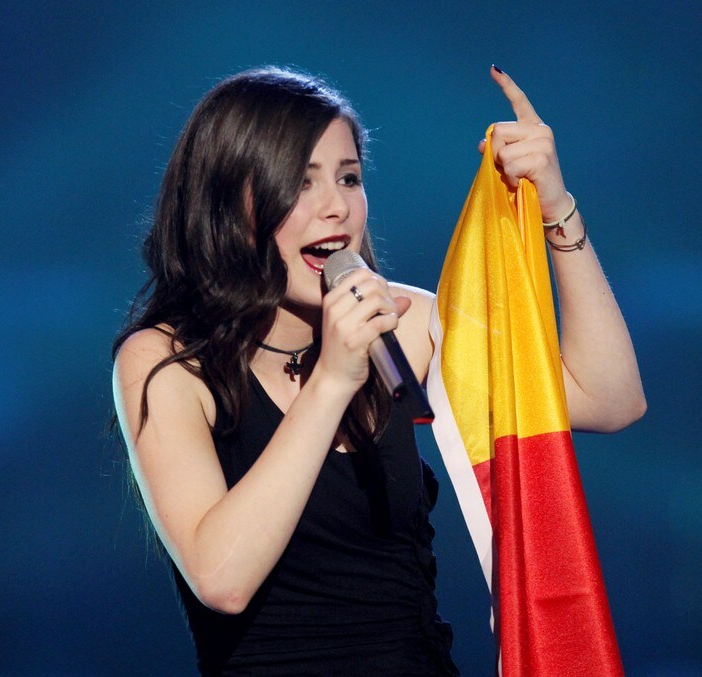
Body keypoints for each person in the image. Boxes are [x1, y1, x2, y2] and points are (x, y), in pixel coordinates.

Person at [112, 65, 645, 675]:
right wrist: (333, 380)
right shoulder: (166, 362)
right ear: (229, 203)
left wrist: (557, 211)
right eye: (300, 183)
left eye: (349, 178)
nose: (336, 207)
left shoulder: (403, 323)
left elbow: (610, 398)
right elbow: (222, 579)